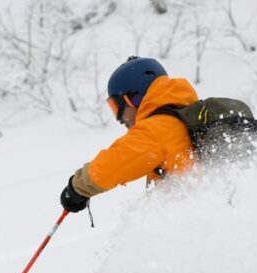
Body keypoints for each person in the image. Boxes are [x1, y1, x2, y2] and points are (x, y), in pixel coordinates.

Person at [60, 56, 199, 214]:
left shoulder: (159, 128)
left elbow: (113, 164)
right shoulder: (178, 121)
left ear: (135, 98)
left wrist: (77, 187)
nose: (118, 119)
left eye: (116, 105)